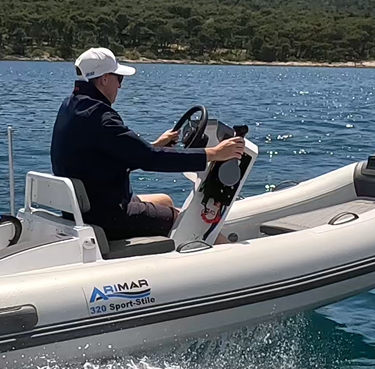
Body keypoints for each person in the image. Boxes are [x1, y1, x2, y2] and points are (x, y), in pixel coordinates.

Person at [51, 47, 244, 240]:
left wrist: (156, 144)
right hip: (106, 216)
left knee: (165, 200)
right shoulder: (101, 117)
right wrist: (214, 153)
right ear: (104, 78)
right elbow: (150, 160)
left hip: (85, 207)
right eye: (119, 79)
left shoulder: (70, 106)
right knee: (191, 224)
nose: (120, 86)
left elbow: (104, 155)